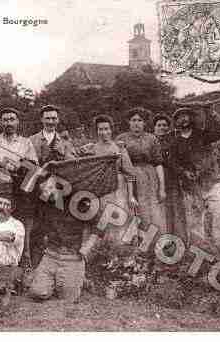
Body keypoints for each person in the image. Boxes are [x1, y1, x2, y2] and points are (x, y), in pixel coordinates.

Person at [28, 177, 102, 303]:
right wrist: (36, 265)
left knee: (69, 298)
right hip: (51, 255)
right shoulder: (44, 205)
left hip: (71, 257)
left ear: (59, 187)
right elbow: (36, 233)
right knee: (37, 292)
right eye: (44, 191)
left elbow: (99, 224)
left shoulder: (77, 202)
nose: (47, 193)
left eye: (50, 189)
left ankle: (77, 277)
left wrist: (87, 247)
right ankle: (56, 279)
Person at [169, 107, 220, 247]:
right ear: (176, 122)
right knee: (195, 220)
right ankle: (200, 249)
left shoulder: (202, 135)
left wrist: (211, 112)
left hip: (212, 181)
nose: (183, 119)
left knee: (219, 214)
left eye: (186, 116)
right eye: (179, 117)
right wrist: (183, 172)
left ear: (191, 118)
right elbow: (173, 163)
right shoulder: (175, 143)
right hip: (191, 186)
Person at [0, 107, 38, 268]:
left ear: (17, 122)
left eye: (12, 119)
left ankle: (25, 259)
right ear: (0, 122)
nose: (8, 123)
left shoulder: (26, 142)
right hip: (0, 189)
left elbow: (34, 167)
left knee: (22, 224)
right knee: (1, 223)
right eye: (5, 119)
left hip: (21, 191)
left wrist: (20, 165)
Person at [28, 105, 77, 267]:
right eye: (47, 118)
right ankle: (34, 263)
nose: (51, 121)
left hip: (58, 190)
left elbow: (73, 165)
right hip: (36, 189)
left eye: (54, 118)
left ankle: (54, 262)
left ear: (58, 120)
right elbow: (26, 164)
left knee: (56, 225)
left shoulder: (65, 142)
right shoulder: (32, 140)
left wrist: (62, 153)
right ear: (42, 119)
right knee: (37, 226)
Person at [115, 107, 166, 233]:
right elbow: (116, 160)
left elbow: (158, 163)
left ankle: (152, 242)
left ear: (144, 123)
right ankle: (133, 241)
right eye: (133, 120)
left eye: (140, 120)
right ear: (129, 122)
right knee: (131, 207)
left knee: (149, 209)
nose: (136, 123)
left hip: (148, 177)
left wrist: (162, 187)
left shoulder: (151, 139)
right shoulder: (122, 138)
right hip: (128, 177)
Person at [89, 114, 138, 243]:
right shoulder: (92, 149)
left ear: (111, 130)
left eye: (106, 129)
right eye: (100, 129)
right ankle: (107, 254)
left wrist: (131, 196)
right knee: (103, 219)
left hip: (119, 189)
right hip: (101, 190)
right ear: (96, 131)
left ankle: (123, 255)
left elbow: (129, 174)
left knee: (120, 218)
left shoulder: (119, 148)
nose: (104, 132)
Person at [152, 113, 187, 240]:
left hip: (172, 181)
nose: (162, 128)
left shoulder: (173, 142)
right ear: (154, 127)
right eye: (159, 125)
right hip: (154, 181)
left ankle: (178, 240)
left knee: (174, 211)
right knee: (159, 213)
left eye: (165, 125)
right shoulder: (150, 141)